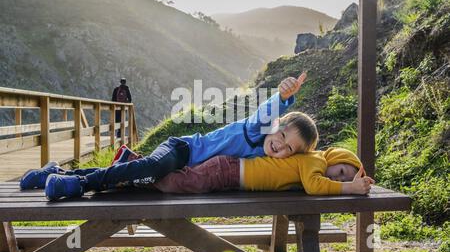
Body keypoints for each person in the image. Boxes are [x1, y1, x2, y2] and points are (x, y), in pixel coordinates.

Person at [21, 73, 321, 200]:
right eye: (282, 133)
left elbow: (308, 166)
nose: (280, 144)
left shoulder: (269, 160)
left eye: (289, 148)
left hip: (185, 171)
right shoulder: (256, 129)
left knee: (136, 177)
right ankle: (78, 184)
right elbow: (268, 110)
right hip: (183, 150)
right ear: (276, 124)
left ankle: (57, 173)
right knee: (150, 169)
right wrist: (283, 97)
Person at [20, 147, 374, 200]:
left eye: (345, 177)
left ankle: (62, 173)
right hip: (225, 173)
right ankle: (131, 160)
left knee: (160, 181)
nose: (340, 177)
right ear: (334, 157)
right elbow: (314, 187)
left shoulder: (312, 161)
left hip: (225, 171)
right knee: (168, 183)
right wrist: (351, 190)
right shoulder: (314, 161)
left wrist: (355, 180)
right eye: (342, 170)